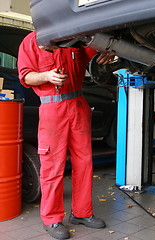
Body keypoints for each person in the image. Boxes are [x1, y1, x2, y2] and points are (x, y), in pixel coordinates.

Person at [18, 31, 114, 240]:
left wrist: (108, 56)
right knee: (53, 164)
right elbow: (26, 75)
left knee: (84, 163)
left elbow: (98, 53)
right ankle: (51, 219)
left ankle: (82, 213)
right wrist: (46, 76)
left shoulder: (75, 36)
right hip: (53, 107)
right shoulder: (32, 41)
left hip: (78, 104)